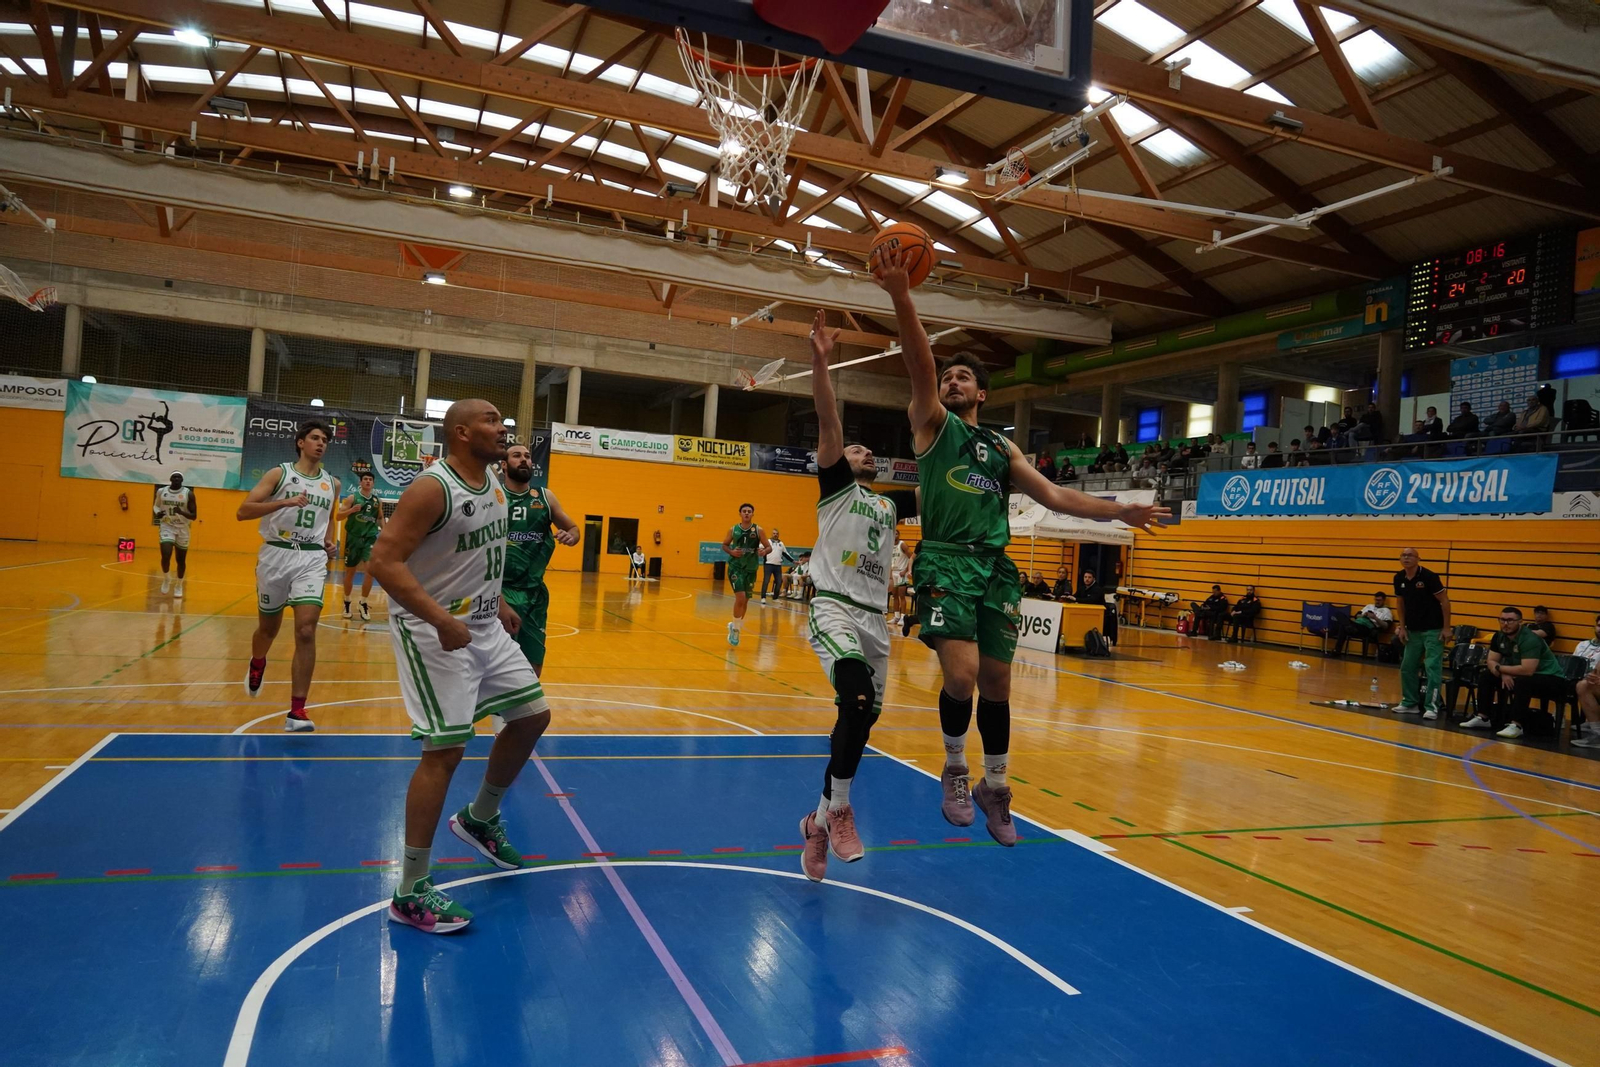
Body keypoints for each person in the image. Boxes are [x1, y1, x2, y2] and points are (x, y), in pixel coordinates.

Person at [874, 245, 1168, 846]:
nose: (952, 381)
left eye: (964, 377)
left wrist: (1123, 513)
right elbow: (920, 366)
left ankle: (995, 784)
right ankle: (955, 768)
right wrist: (903, 296)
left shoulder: (1001, 449)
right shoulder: (932, 424)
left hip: (994, 570)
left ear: (982, 393)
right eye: (948, 376)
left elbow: (1058, 497)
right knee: (961, 675)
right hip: (946, 561)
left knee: (999, 685)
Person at [368, 399, 551, 934]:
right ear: (462, 432)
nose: (504, 428)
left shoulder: (493, 482)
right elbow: (383, 561)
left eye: (503, 421)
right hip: (436, 632)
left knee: (532, 716)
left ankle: (479, 818)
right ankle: (410, 890)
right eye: (493, 421)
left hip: (486, 624)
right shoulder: (433, 487)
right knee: (444, 751)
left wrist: (499, 600)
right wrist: (441, 618)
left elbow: (475, 554)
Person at [797, 311, 919, 880]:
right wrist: (821, 363)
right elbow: (828, 421)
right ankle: (842, 811)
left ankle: (817, 821)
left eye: (869, 450)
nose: (863, 450)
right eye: (855, 449)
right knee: (852, 694)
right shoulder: (836, 488)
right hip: (834, 607)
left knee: (860, 721)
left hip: (877, 619)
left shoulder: (890, 505)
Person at [237, 421, 339, 731]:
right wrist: (284, 501)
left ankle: (297, 711)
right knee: (268, 629)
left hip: (310, 557)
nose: (321, 444)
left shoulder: (332, 483)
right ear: (300, 443)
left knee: (306, 630)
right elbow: (243, 511)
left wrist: (330, 541)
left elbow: (330, 518)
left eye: (325, 440)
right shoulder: (279, 474)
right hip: (275, 553)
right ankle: (258, 662)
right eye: (315, 438)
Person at [500, 443, 580, 681]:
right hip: (499, 593)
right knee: (495, 662)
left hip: (535, 594)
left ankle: (520, 713)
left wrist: (571, 535)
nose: (524, 460)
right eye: (516, 456)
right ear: (504, 465)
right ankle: (493, 713)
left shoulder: (545, 497)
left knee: (533, 665)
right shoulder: (493, 497)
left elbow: (574, 528)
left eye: (527, 456)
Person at [1460, 607, 1565, 739]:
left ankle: (1517, 725)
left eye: (1510, 620)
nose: (1505, 623)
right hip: (1520, 673)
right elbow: (1491, 661)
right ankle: (1483, 717)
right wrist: (1503, 672)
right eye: (1502, 620)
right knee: (1487, 675)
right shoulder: (1499, 636)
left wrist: (1501, 669)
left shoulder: (1530, 639)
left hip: (1551, 677)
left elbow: (1528, 670)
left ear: (1520, 621)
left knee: (1523, 681)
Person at [1392, 546, 1450, 718]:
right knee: (1407, 666)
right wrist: (1402, 627)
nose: (1406, 558)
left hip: (1433, 630)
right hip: (1413, 630)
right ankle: (1410, 703)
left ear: (1418, 559)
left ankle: (1432, 706)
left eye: (1410, 555)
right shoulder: (1399, 578)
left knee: (1432, 667)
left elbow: (1445, 601)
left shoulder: (1429, 577)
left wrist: (1447, 628)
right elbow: (1400, 603)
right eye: (1403, 555)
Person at [337, 471, 386, 621]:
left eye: (370, 480)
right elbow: (338, 516)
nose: (368, 481)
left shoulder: (377, 500)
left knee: (371, 571)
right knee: (350, 573)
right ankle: (347, 601)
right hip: (353, 538)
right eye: (365, 479)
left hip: (369, 539)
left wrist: (385, 532)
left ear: (373, 483)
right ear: (360, 482)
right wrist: (351, 510)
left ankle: (363, 602)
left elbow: (380, 517)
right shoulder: (352, 498)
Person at [722, 503, 771, 645]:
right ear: (740, 513)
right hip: (735, 567)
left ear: (753, 514)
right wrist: (731, 552)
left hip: (751, 568)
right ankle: (736, 631)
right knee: (741, 597)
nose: (747, 513)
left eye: (749, 511)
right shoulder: (733, 530)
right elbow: (724, 545)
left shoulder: (758, 530)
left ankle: (734, 625)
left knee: (746, 600)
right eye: (744, 511)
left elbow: (768, 547)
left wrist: (764, 551)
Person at [153, 470, 196, 599]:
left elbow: (194, 516)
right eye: (174, 477)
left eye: (179, 477)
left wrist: (181, 512)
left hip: (182, 528)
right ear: (170, 479)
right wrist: (157, 513)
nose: (176, 479)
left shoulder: (188, 494)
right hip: (167, 525)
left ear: (182, 480)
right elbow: (156, 506)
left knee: (180, 560)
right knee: (166, 554)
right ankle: (166, 579)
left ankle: (179, 584)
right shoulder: (162, 492)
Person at [1570, 614, 1600, 749]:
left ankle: (1598, 733)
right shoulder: (1583, 645)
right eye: (1599, 625)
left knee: (1584, 686)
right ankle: (1596, 728)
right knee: (1584, 684)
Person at [1333, 591, 1392, 656]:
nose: (1377, 602)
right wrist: (1363, 615)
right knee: (1339, 614)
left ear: (1384, 600)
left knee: (1343, 626)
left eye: (1379, 600)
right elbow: (1356, 616)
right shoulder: (1369, 606)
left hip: (1368, 627)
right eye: (1376, 600)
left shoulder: (1387, 611)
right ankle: (1350, 627)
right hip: (1358, 622)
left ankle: (1337, 650)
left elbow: (1386, 626)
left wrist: (1375, 618)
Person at [759, 529, 789, 605]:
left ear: (778, 534)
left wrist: (793, 561)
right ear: (772, 534)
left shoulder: (781, 544)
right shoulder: (767, 541)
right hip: (768, 564)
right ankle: (763, 597)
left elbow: (785, 554)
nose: (775, 535)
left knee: (779, 582)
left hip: (778, 565)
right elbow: (759, 548)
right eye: (774, 533)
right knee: (766, 581)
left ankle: (775, 598)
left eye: (777, 533)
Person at [890, 536, 915, 625]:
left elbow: (912, 557)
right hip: (894, 572)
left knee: (902, 596)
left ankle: (903, 617)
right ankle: (896, 616)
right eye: (894, 533)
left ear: (899, 535)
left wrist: (905, 570)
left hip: (901, 573)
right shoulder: (890, 545)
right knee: (895, 596)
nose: (895, 535)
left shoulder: (902, 544)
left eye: (896, 533)